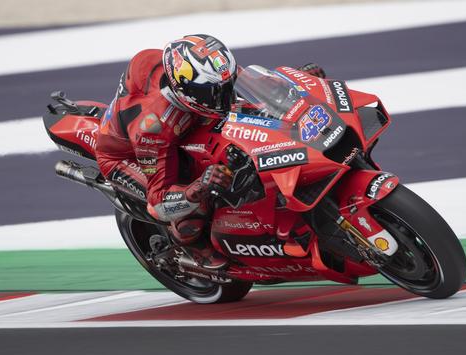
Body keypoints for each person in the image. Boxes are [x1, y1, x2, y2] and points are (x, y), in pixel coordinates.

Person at [95, 34, 325, 270]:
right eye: (215, 92)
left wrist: (298, 87)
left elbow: (255, 89)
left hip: (182, 127)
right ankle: (192, 247)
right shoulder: (153, 127)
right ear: (188, 91)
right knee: (197, 199)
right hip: (127, 156)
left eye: (226, 85)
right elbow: (160, 201)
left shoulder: (207, 74)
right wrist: (199, 187)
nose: (225, 95)